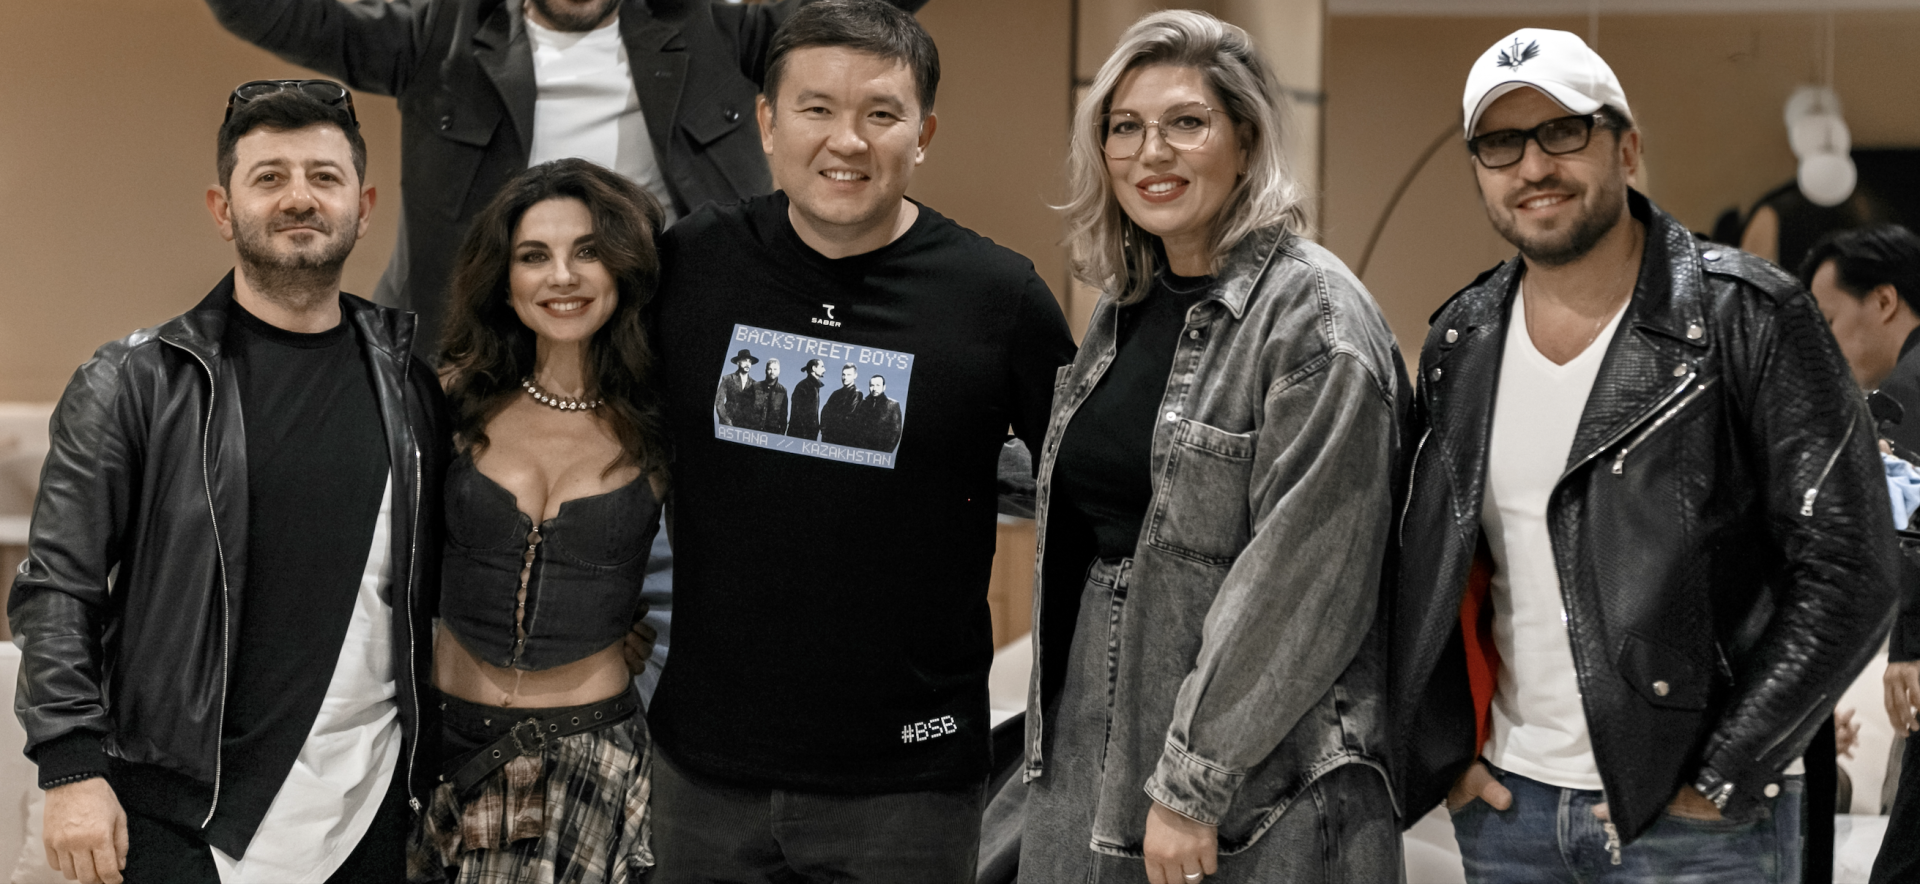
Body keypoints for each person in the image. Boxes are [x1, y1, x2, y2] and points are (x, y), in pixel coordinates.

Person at [1391, 29, 1898, 883]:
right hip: (1511, 815)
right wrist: (1449, 760)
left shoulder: (1750, 316)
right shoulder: (1460, 341)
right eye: (1501, 143)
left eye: (1562, 132)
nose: (1533, 165)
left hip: (1702, 828)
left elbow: (1853, 568)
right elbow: (1430, 569)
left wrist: (1723, 774)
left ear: (1625, 149)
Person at [645, 1, 1076, 878]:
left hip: (907, 789)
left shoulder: (999, 299)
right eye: (816, 108)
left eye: (881, 113)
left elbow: (1088, 501)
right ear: (768, 123)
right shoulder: (691, 264)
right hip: (703, 775)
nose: (847, 140)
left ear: (923, 134)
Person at [9, 81, 446, 884]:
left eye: (324, 176)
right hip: (183, 813)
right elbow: (58, 587)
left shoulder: (410, 386)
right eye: (269, 176)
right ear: (223, 208)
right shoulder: (134, 383)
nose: (299, 198)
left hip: (370, 805)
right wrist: (71, 766)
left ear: (363, 207)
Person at [1016, 12, 1407, 883]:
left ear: (1246, 139)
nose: (1151, 152)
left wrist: (1192, 786)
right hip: (1097, 728)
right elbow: (1115, 488)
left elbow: (1304, 584)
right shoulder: (1130, 301)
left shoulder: (1315, 322)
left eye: (1186, 123)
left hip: (1257, 775)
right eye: (1126, 127)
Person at [201, 0, 930, 354]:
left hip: (665, 349)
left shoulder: (707, 24)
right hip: (479, 355)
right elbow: (269, 11)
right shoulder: (436, 36)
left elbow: (853, 16)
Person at [413, 158, 667, 884]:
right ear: (503, 279)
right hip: (436, 746)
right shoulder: (448, 400)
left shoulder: (662, 422)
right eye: (533, 256)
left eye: (587, 251)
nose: (562, 276)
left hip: (584, 758)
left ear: (623, 267)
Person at [1797, 224, 1920, 884]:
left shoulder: (1905, 392)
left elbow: (1912, 528)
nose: (1824, 344)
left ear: (1884, 300)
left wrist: (1910, 647)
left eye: (1828, 320)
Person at [851, 373, 903, 451]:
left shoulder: (893, 405)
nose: (874, 388)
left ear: (884, 387)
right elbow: (856, 428)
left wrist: (885, 452)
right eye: (872, 385)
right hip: (861, 450)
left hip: (881, 450)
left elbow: (896, 433)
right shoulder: (863, 403)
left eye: (878, 385)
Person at [818, 362, 863, 445]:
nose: (845, 378)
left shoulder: (856, 394)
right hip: (828, 437)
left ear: (855, 376)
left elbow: (849, 415)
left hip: (843, 438)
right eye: (843, 374)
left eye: (849, 375)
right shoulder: (835, 393)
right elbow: (825, 411)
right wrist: (824, 430)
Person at [716, 350, 759, 426]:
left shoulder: (754, 384)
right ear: (738, 362)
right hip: (728, 422)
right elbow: (719, 402)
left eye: (749, 361)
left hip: (745, 425)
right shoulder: (727, 379)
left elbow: (756, 406)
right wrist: (726, 420)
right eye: (745, 360)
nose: (747, 364)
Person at [789, 358, 827, 439]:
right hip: (801, 434)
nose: (824, 370)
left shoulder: (813, 386)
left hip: (809, 433)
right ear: (814, 368)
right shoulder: (803, 386)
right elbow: (797, 413)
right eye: (822, 366)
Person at [754, 358, 791, 434]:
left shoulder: (783, 391)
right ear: (765, 371)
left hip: (773, 432)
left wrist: (781, 433)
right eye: (770, 369)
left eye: (775, 369)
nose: (772, 372)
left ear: (779, 371)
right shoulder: (755, 387)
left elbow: (783, 415)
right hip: (754, 429)